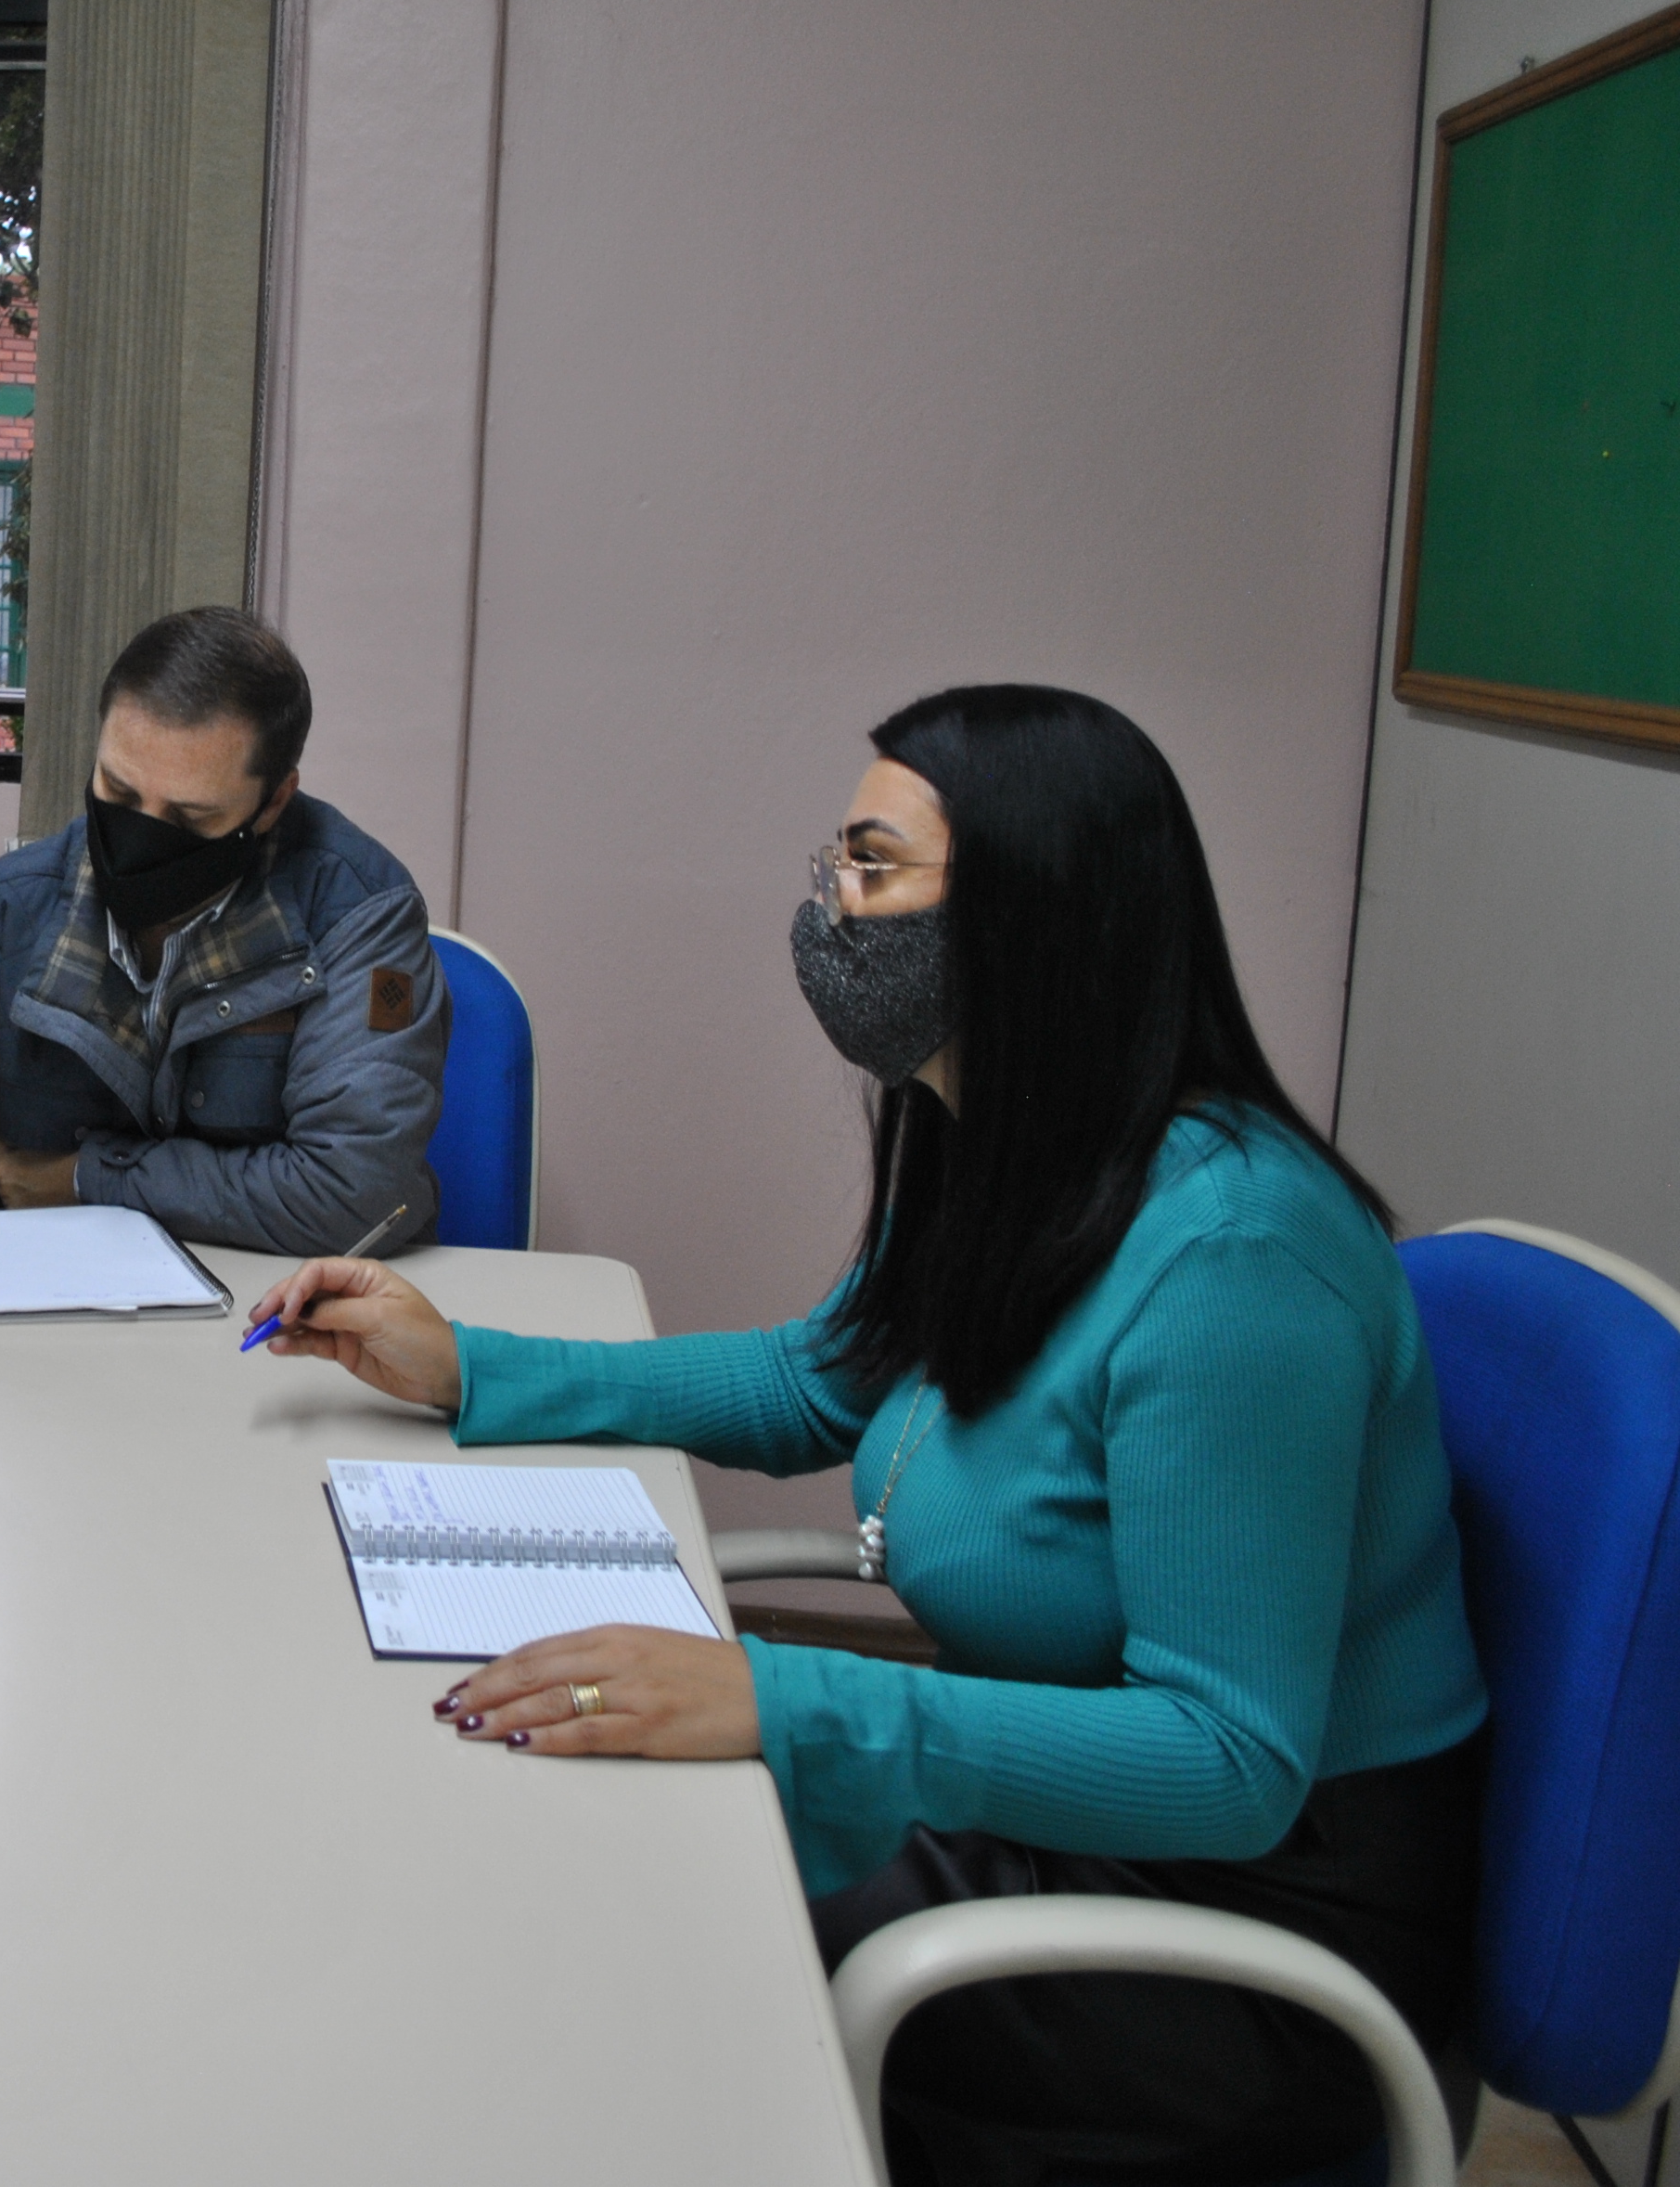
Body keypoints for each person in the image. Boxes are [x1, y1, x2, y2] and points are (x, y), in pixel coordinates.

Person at [247, 685, 1487, 2187]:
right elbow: (817, 1381)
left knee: (646, 1970)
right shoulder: (1003, 1134)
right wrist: (467, 1366)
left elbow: (1228, 1760)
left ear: (1029, 916)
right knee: (582, 1883)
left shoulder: (1236, 1259)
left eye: (872, 865)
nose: (830, 904)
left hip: (1240, 1932)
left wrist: (782, 1699)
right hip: (1045, 1817)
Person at [0, 606, 443, 1304]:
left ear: (275, 800)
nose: (141, 840)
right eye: (119, 793)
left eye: (192, 819)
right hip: (33, 1323)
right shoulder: (10, 909)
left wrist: (86, 1176)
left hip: (280, 1329)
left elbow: (360, 1188)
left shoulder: (360, 915)